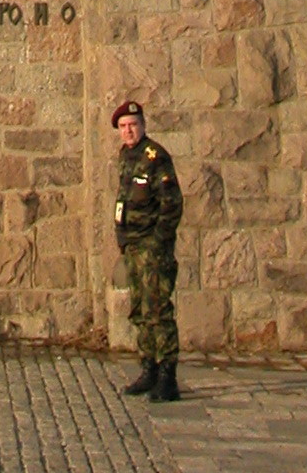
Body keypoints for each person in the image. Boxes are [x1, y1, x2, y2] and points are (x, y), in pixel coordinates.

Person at [112, 98, 181, 402]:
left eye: (133, 125)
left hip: (152, 247)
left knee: (158, 310)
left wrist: (159, 241)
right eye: (123, 127)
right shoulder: (126, 157)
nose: (128, 131)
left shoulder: (156, 157)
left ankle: (167, 374)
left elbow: (171, 202)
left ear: (143, 126)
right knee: (140, 309)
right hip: (133, 246)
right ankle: (148, 367)